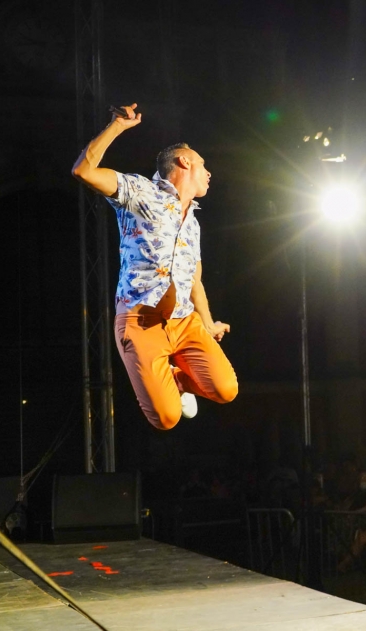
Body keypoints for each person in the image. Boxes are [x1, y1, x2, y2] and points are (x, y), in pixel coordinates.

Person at [71, 103, 238, 430]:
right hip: (140, 319)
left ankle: (175, 378)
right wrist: (117, 126)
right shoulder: (140, 192)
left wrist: (207, 322)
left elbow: (195, 281)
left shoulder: (194, 223)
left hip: (184, 321)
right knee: (167, 418)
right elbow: (83, 171)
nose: (208, 173)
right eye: (203, 165)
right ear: (185, 161)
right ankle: (167, 383)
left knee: (225, 390)